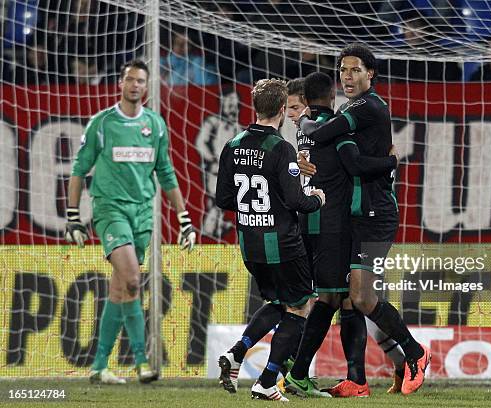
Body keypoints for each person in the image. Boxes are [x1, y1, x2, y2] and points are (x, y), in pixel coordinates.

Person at [294, 44, 431, 396]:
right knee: (355, 298)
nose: (348, 76)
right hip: (358, 214)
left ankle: (416, 354)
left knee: (362, 298)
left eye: (355, 70)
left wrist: (304, 136)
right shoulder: (353, 108)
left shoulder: (368, 106)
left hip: (377, 214)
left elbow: (337, 148)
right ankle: (385, 370)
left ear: (370, 74)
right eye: (343, 70)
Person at [65, 59, 196, 384]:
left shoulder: (155, 124)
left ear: (146, 87)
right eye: (130, 80)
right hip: (110, 211)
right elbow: (79, 170)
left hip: (142, 215)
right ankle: (141, 362)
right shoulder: (103, 123)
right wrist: (73, 216)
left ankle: (99, 366)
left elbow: (165, 173)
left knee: (121, 289)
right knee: (134, 280)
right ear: (121, 84)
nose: (135, 85)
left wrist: (184, 219)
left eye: (141, 81)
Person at [282, 71, 401, 398]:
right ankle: (301, 370)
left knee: (341, 297)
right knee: (338, 299)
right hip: (335, 223)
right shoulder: (335, 128)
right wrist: (390, 161)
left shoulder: (304, 130)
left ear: (305, 102)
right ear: (332, 95)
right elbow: (355, 164)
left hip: (309, 220)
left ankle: (350, 377)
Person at [215, 78, 325, 401]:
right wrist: (317, 197)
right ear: (280, 109)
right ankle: (267, 381)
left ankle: (237, 353)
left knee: (277, 302)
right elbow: (295, 201)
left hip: (250, 244)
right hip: (282, 244)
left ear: (255, 106)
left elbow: (224, 199)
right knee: (301, 305)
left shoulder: (232, 145)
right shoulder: (281, 149)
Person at [196, 87, 242, 239]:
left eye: (235, 104)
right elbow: (200, 142)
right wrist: (212, 159)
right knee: (217, 202)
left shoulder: (239, 129)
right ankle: (208, 232)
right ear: (222, 103)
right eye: (229, 103)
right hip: (214, 171)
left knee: (216, 204)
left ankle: (216, 228)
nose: (232, 107)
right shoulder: (212, 122)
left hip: (230, 173)